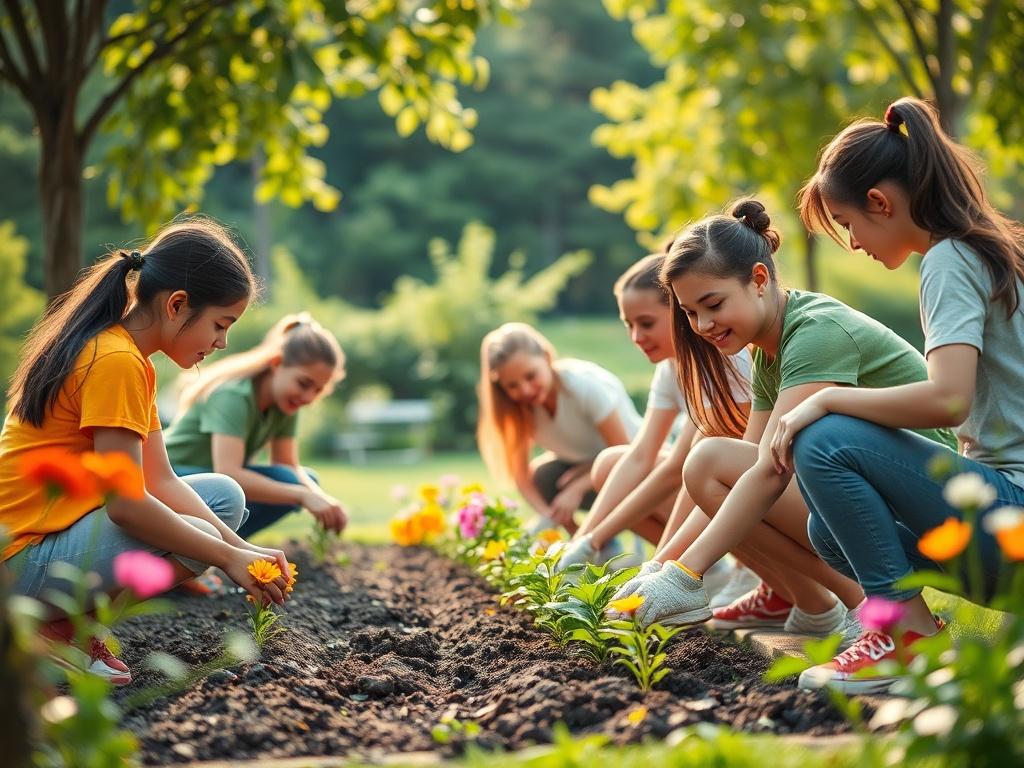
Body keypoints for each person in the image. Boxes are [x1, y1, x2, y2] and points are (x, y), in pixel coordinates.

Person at [614, 198, 956, 646]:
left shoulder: (816, 332)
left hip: (930, 512)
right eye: (691, 312)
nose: (702, 324)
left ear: (758, 279)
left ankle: (879, 613)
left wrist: (685, 573)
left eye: (712, 304)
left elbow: (768, 471)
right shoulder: (768, 352)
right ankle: (853, 602)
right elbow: (745, 467)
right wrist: (662, 567)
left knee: (711, 460)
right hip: (881, 503)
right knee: (708, 470)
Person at [774, 96, 1024, 693]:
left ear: (881, 203)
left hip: (1014, 513)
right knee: (831, 532)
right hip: (1006, 523)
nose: (853, 243)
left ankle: (904, 643)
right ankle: (911, 633)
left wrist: (827, 400)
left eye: (849, 223)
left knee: (824, 439)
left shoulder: (949, 259)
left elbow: (947, 400)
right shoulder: (994, 245)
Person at [0, 217, 291, 686]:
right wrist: (222, 556)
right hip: (18, 561)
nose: (223, 342)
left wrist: (243, 550)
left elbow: (161, 480)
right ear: (177, 305)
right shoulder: (115, 362)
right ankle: (50, 630)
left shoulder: (125, 354)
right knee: (195, 534)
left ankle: (59, 626)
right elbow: (128, 506)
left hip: (44, 544)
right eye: (221, 324)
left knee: (225, 497)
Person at [555, 253, 759, 605]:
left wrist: (655, 564)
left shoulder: (728, 357)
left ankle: (731, 570)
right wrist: (586, 541)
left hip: (757, 492)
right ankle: (702, 572)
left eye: (646, 323)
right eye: (628, 325)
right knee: (611, 464)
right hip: (722, 485)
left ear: (679, 311)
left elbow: (683, 469)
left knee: (701, 465)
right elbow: (642, 456)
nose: (636, 336)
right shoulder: (670, 369)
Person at [166, 313, 348, 541]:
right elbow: (229, 472)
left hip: (216, 483)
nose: (308, 396)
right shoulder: (233, 396)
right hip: (170, 474)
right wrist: (302, 495)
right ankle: (211, 551)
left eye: (318, 390)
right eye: (304, 383)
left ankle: (221, 552)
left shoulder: (285, 404)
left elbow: (288, 466)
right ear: (276, 363)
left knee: (303, 480)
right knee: (292, 487)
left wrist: (322, 499)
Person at [477, 322, 642, 536]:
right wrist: (548, 516)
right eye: (512, 386)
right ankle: (588, 543)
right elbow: (521, 475)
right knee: (544, 476)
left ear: (546, 358)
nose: (525, 390)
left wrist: (578, 486)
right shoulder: (519, 410)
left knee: (568, 479)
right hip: (587, 466)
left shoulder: (583, 386)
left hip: (635, 464)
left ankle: (595, 539)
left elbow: (624, 453)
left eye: (530, 376)